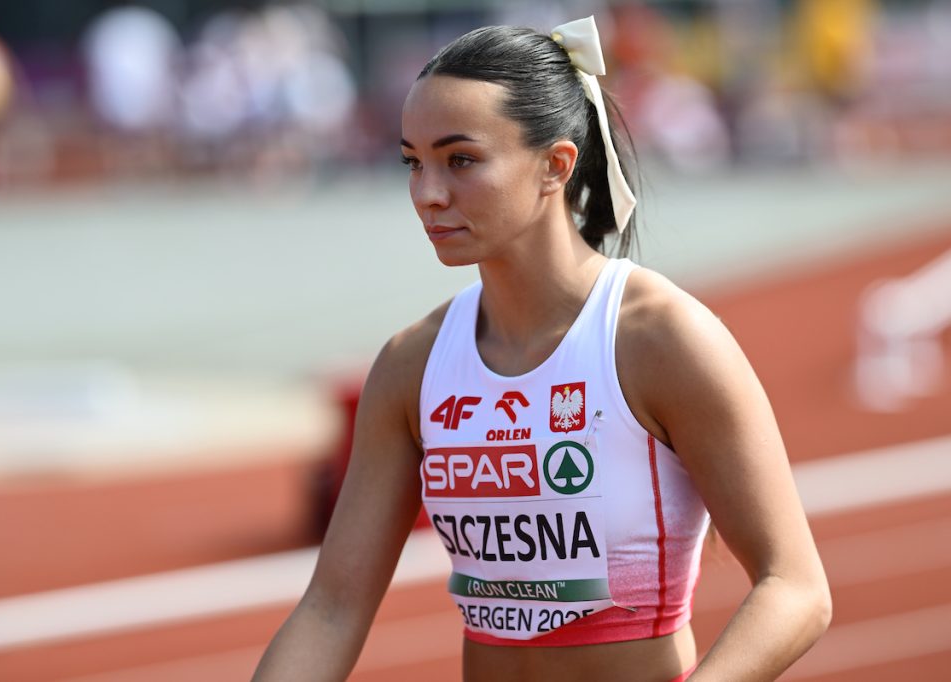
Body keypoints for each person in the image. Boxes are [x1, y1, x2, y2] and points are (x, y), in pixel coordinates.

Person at [252, 16, 830, 682]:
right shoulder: (412, 365)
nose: (427, 194)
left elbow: (795, 588)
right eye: (413, 162)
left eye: (460, 160)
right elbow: (332, 609)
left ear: (555, 165)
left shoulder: (660, 339)